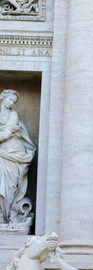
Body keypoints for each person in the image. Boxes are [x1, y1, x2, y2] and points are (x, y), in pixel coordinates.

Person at [0, 90, 35, 224]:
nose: (11, 103)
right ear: (2, 98)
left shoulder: (13, 114)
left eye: (13, 101)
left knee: (12, 183)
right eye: (9, 99)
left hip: (14, 152)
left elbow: (7, 134)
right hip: (2, 153)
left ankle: (8, 214)